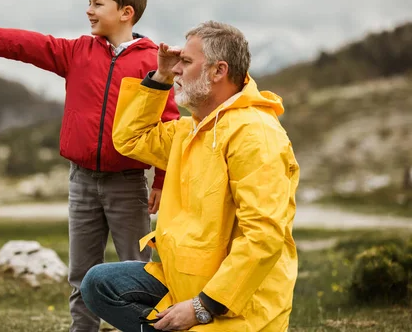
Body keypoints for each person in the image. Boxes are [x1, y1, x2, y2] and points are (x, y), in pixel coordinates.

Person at [0, 0, 180, 332]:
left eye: (97, 3)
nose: (88, 10)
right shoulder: (75, 52)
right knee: (80, 276)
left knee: (140, 272)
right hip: (81, 183)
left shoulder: (151, 62)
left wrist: (161, 181)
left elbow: (167, 127)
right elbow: (20, 44)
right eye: (88, 3)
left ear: (126, 12)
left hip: (127, 184)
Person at [81, 21, 299, 331]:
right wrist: (161, 77)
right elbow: (130, 138)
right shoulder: (192, 129)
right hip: (183, 280)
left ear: (218, 71)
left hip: (236, 302)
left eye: (185, 61)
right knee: (99, 284)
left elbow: (263, 237)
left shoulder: (255, 135)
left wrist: (202, 306)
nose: (177, 69)